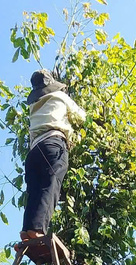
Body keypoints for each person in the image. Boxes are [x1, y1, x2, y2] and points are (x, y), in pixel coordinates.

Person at [19, 68, 86, 245]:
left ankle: (27, 230)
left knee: (34, 190)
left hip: (34, 151)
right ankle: (38, 229)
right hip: (53, 144)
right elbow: (81, 117)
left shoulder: (34, 105)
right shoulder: (60, 96)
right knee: (50, 185)